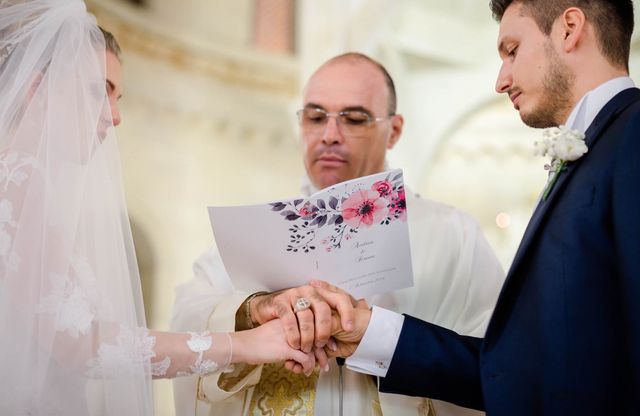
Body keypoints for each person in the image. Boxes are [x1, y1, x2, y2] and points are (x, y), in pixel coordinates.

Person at [319, 0, 640, 416]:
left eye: (511, 50)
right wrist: (371, 333)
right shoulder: (594, 150)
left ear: (570, 28)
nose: (500, 79)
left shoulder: (631, 136)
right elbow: (518, 372)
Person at [0, 0, 319, 416]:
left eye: (118, 97)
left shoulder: (23, 184)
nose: (115, 116)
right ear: (38, 88)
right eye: (100, 90)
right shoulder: (21, 184)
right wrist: (242, 344)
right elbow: (79, 345)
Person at [171, 53, 505, 415]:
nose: (330, 135)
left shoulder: (452, 234)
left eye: (354, 119)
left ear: (394, 130)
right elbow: (189, 316)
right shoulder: (253, 229)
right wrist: (252, 310)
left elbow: (496, 365)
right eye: (315, 117)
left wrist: (379, 334)